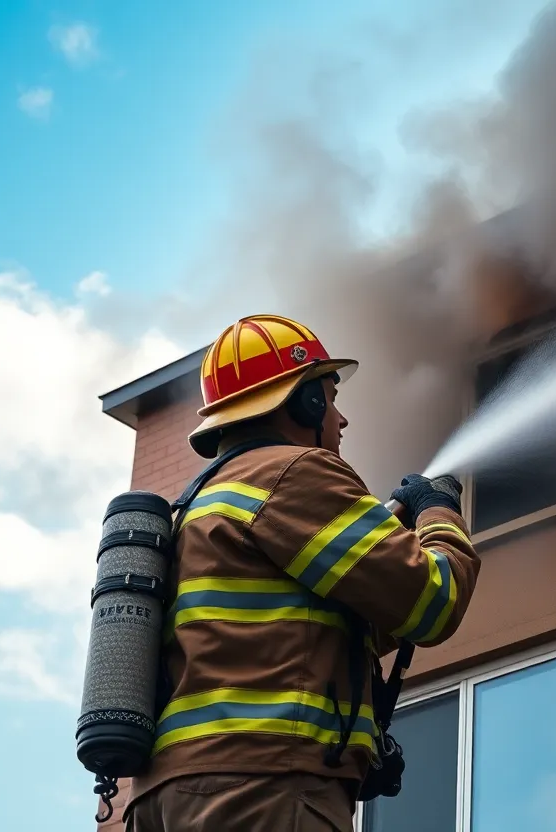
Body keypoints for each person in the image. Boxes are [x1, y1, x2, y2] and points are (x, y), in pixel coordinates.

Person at [122, 314, 481, 832]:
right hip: (260, 789)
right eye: (331, 397)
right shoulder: (294, 472)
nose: (342, 419)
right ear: (304, 402)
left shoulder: (195, 509)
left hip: (165, 799)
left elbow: (304, 631)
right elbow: (434, 600)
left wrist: (387, 535)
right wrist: (437, 511)